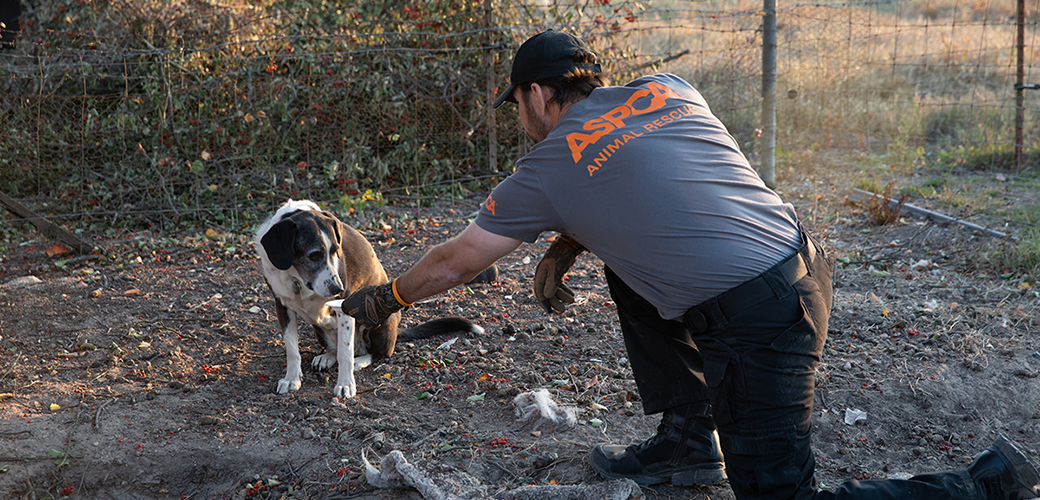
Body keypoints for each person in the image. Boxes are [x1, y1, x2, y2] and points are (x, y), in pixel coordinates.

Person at [342, 30, 1040, 500]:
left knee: (779, 495)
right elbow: (664, 185)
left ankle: (986, 482)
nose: (520, 116)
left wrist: (388, 298)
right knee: (629, 266)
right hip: (804, 266)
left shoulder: (550, 164)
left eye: (518, 102)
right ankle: (686, 439)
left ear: (537, 95)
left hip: (760, 321)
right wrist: (567, 243)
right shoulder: (671, 89)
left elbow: (459, 262)